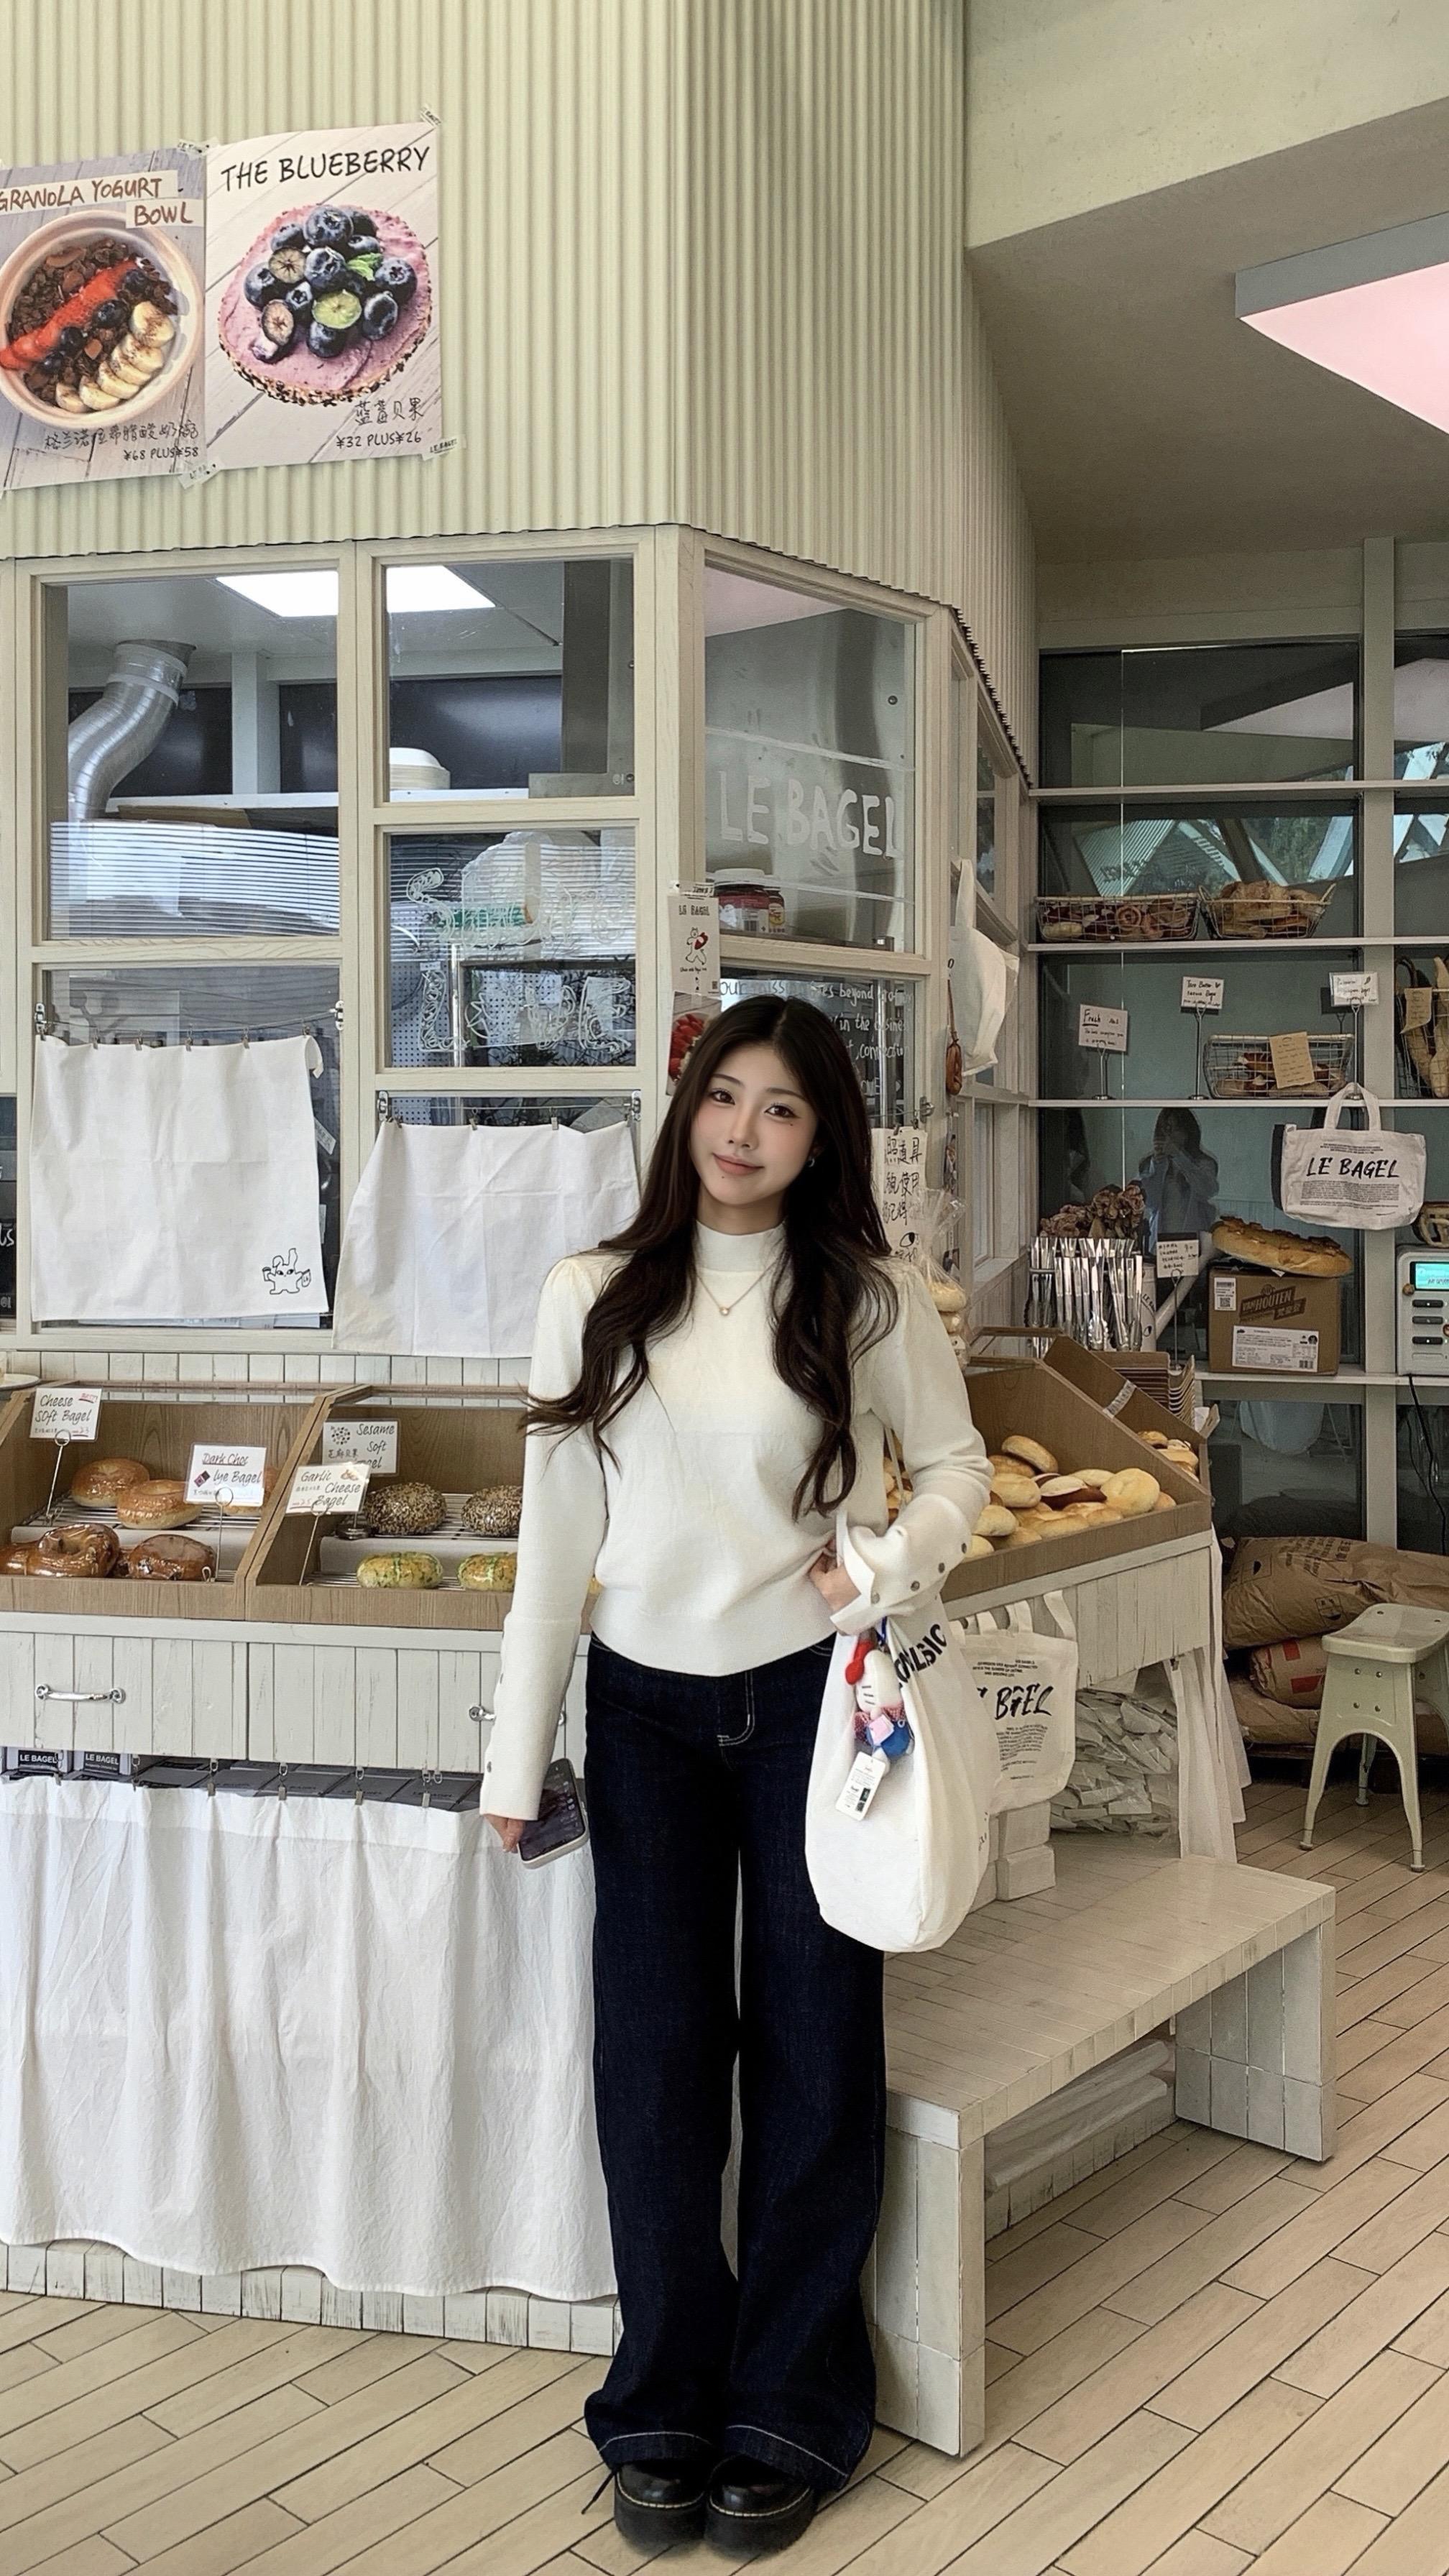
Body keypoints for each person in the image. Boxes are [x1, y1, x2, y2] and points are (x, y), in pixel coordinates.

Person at [482, 995, 990, 2556]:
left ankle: (790, 2404)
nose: (742, 1130)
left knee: (815, 2051)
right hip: (640, 1713)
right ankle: (659, 2401)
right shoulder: (594, 1292)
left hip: (816, 1708)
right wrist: (517, 1751)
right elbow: (554, 1539)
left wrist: (885, 1563)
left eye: (781, 1107)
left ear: (822, 1136)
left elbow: (958, 1468)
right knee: (653, 2063)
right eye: (723, 1095)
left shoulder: (867, 1296)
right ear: (687, 1106)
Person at [1138, 1106, 1219, 1248]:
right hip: (1160, 1243)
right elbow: (1150, 1202)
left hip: (1193, 1241)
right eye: (1165, 1129)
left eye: (1174, 1129)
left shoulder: (1204, 1162)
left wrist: (1179, 1156)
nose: (1169, 1135)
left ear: (1187, 1132)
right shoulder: (1149, 1164)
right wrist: (1157, 1164)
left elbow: (1207, 1190)